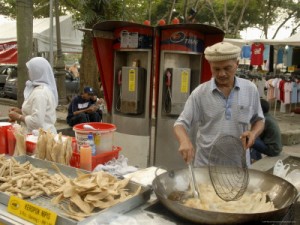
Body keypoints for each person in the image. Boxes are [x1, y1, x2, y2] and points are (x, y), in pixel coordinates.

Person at [174, 42, 265, 166]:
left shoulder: (250, 89)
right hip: (206, 167)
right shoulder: (200, 93)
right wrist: (184, 140)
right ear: (210, 66)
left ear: (237, 64)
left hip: (239, 167)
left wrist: (253, 133)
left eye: (227, 68)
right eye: (216, 69)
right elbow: (180, 124)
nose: (221, 74)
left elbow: (259, 120)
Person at [8, 57, 58, 134]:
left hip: (41, 137)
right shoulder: (42, 89)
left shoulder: (40, 92)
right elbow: (40, 111)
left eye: (30, 70)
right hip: (41, 135)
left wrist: (18, 116)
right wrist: (21, 111)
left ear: (36, 72)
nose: (28, 72)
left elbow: (37, 122)